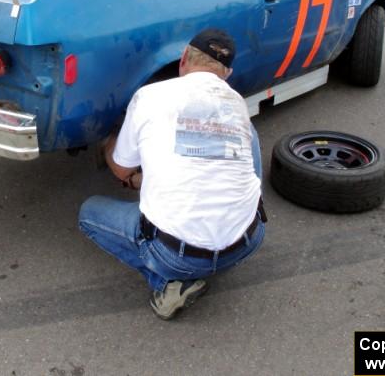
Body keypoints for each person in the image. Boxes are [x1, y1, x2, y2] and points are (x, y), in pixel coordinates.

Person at [79, 29, 266, 320]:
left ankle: (170, 282)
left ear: (183, 59)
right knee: (249, 136)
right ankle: (208, 257)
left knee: (88, 214)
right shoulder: (238, 104)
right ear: (226, 74)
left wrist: (109, 144)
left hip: (179, 254)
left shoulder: (150, 96)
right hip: (246, 242)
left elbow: (120, 168)